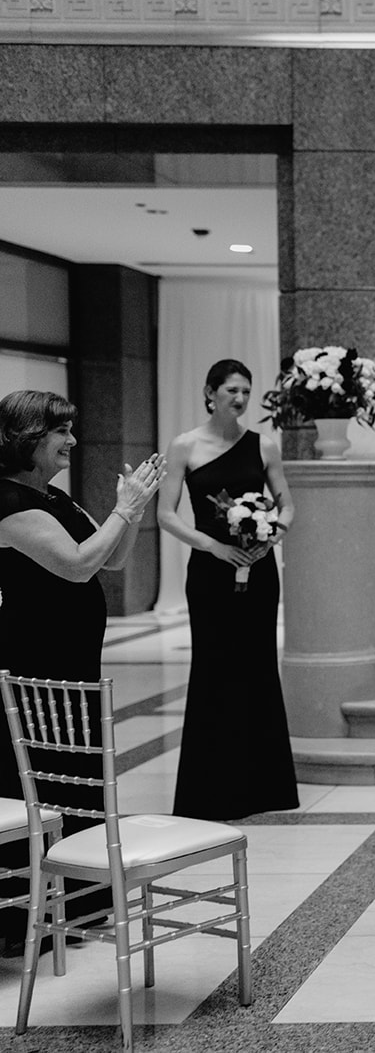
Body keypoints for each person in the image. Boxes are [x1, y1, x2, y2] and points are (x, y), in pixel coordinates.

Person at [0, 390, 165, 952]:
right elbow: (75, 567)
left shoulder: (54, 498)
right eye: (61, 433)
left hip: (72, 667)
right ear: (28, 439)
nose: (72, 441)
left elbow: (111, 559)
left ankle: (82, 902)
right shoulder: (7, 503)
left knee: (76, 772)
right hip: (36, 669)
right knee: (46, 778)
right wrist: (123, 508)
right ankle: (33, 915)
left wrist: (134, 508)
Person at [156, 359, 300, 820]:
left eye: (246, 392)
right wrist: (214, 547)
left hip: (258, 568)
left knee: (257, 666)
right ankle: (210, 792)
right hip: (210, 570)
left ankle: (265, 788)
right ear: (210, 391)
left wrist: (270, 536)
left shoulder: (265, 445)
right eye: (232, 390)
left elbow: (288, 505)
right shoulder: (184, 446)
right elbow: (166, 515)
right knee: (215, 668)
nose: (240, 399)